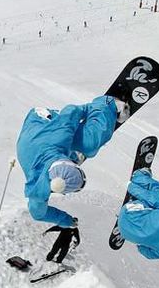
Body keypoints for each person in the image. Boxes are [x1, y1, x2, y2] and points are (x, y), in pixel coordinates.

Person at [16, 95, 128, 227]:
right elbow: (38, 214)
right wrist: (65, 220)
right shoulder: (38, 189)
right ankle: (75, 154)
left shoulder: (60, 135)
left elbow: (71, 111)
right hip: (33, 144)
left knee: (90, 144)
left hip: (42, 119)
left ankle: (108, 104)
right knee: (84, 148)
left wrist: (95, 108)